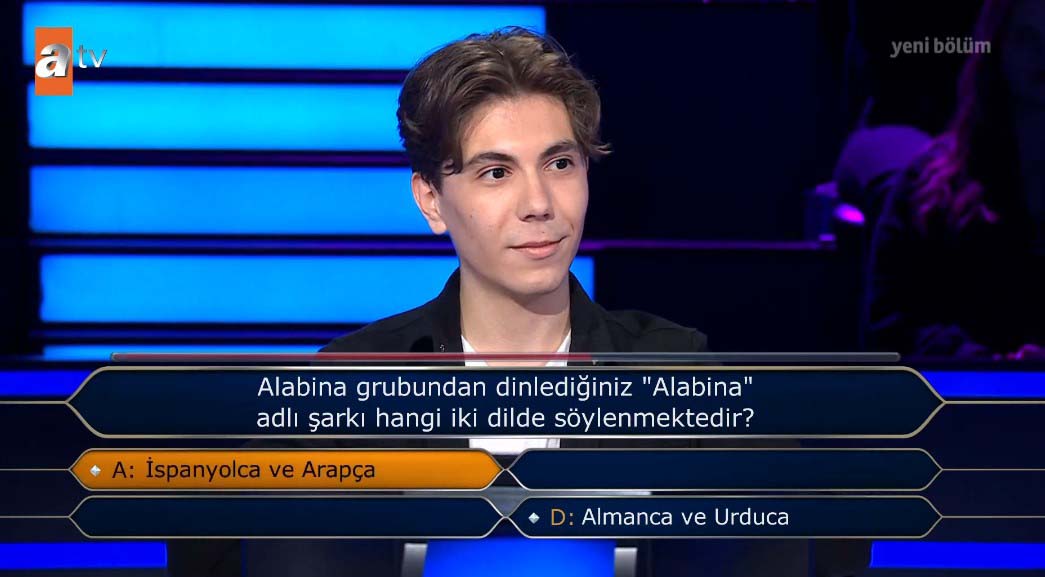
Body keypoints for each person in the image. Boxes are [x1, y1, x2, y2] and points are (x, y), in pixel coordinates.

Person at [171, 27, 868, 576]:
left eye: (559, 163)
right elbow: (212, 543)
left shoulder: (673, 369)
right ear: (431, 201)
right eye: (495, 172)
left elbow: (827, 532)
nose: (539, 204)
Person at [866, 0, 1045, 359]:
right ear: (998, 46)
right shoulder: (930, 186)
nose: (1043, 57)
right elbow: (892, 325)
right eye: (1028, 38)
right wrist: (988, 367)